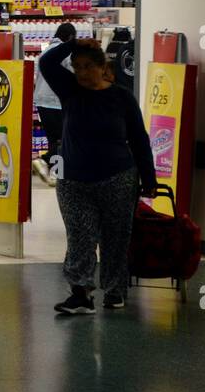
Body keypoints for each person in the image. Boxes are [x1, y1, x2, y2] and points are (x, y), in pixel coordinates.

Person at [43, 38, 156, 314]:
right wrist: (72, 43)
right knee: (80, 236)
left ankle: (115, 291)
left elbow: (139, 139)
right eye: (77, 67)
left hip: (117, 178)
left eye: (88, 67)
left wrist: (149, 178)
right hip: (73, 180)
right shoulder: (70, 90)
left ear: (103, 67)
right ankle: (80, 294)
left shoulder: (121, 97)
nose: (82, 73)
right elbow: (46, 62)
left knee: (115, 237)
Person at [33, 22, 77, 186]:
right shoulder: (65, 54)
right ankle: (45, 161)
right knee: (61, 139)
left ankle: (54, 173)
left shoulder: (45, 52)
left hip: (42, 101)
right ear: (71, 37)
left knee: (53, 138)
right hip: (56, 102)